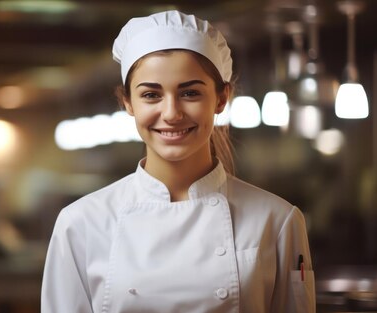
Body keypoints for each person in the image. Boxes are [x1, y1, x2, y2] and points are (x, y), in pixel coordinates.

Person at [41, 10, 315, 313]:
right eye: (151, 95)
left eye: (190, 92)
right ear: (128, 103)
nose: (171, 113)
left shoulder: (277, 221)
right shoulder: (80, 224)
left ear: (222, 99)